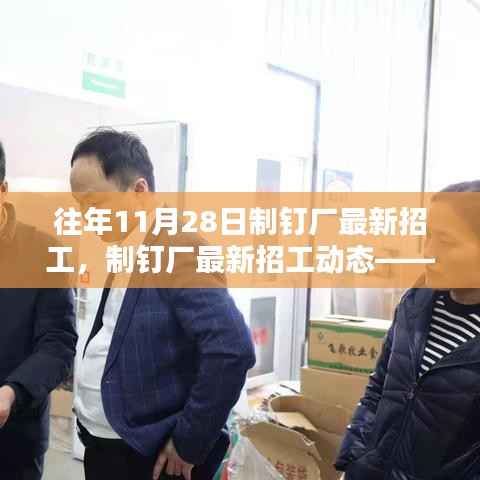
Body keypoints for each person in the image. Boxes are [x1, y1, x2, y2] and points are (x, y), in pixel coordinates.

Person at [70, 128, 256, 480]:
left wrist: (189, 442)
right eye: (80, 206)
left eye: (93, 204)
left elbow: (231, 349)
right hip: (106, 442)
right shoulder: (127, 245)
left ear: (139, 191)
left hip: (147, 455)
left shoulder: (179, 247)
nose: (86, 217)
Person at [335, 180, 480, 479]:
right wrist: (353, 458)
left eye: (446, 241)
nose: (428, 252)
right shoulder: (416, 301)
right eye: (427, 236)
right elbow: (378, 387)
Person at [0, 140, 78, 479]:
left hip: (14, 438)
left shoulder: (44, 252)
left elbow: (58, 343)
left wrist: (13, 391)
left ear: (3, 190)